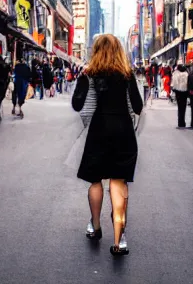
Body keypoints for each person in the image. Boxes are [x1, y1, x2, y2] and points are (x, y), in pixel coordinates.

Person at [72, 34, 143, 256]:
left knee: (95, 180)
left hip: (98, 130)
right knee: (118, 182)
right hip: (123, 132)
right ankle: (119, 239)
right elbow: (138, 107)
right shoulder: (127, 75)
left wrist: (90, 123)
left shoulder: (89, 74)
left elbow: (79, 106)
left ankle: (95, 226)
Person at [171, 61, 189, 128]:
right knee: (184, 107)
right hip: (185, 92)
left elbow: (174, 84)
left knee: (179, 107)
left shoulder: (175, 73)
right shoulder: (186, 73)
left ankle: (180, 122)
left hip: (178, 92)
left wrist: (174, 90)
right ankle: (183, 122)